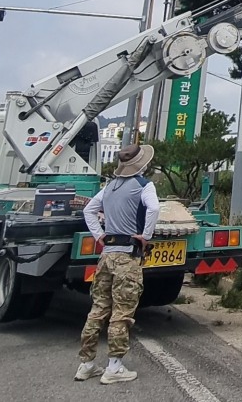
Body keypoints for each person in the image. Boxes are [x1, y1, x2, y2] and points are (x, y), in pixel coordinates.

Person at [74, 143, 160, 385]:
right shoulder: (144, 185)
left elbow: (89, 210)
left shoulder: (110, 187)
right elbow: (153, 208)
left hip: (107, 256)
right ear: (142, 164)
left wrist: (99, 235)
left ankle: (86, 364)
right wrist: (146, 235)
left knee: (98, 309)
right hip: (127, 257)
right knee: (121, 313)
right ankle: (114, 366)